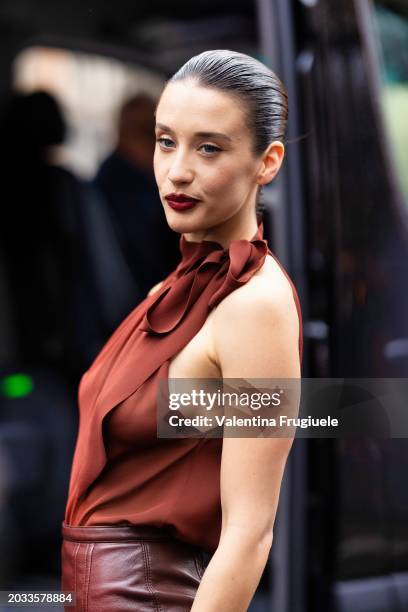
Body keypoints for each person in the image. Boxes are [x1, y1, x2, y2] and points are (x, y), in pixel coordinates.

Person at [61, 49, 303, 611]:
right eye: (165, 141)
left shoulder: (254, 304)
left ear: (267, 162)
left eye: (209, 148)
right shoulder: (173, 287)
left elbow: (249, 534)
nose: (177, 170)